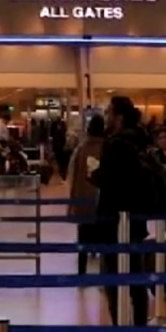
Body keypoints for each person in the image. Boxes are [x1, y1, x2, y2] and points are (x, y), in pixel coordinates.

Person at [89, 96, 153, 332]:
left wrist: (94, 174)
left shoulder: (116, 144)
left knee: (113, 282)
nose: (106, 117)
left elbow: (110, 180)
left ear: (119, 117)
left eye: (109, 112)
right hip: (136, 219)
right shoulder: (141, 140)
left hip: (114, 220)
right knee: (137, 279)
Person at [66, 115, 106, 276]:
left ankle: (81, 272)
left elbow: (73, 176)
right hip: (102, 200)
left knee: (83, 237)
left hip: (83, 199)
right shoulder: (108, 147)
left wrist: (72, 201)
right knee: (104, 238)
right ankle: (104, 274)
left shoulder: (81, 149)